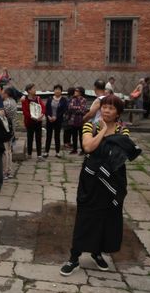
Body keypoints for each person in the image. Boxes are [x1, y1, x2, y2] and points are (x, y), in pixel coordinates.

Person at [60, 94, 140, 276]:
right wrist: (103, 131)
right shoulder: (91, 125)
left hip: (113, 179)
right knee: (85, 216)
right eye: (104, 107)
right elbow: (88, 147)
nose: (106, 110)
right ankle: (74, 257)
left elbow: (120, 153)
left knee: (107, 217)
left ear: (118, 112)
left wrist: (102, 144)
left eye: (111, 108)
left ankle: (97, 252)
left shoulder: (122, 130)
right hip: (91, 179)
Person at [21, 83, 45, 161]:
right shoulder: (24, 100)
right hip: (30, 122)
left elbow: (43, 107)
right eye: (33, 88)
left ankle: (39, 155)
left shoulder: (38, 98)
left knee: (38, 138)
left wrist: (41, 115)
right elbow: (25, 111)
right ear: (29, 90)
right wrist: (32, 117)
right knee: (30, 138)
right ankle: (29, 154)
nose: (35, 90)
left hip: (38, 121)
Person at [44, 84, 68, 158]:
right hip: (49, 120)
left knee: (57, 136)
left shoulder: (63, 100)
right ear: (54, 91)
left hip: (58, 120)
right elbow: (46, 109)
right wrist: (48, 116)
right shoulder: (50, 98)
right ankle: (46, 152)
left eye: (59, 89)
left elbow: (64, 110)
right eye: (56, 89)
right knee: (48, 136)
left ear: (61, 91)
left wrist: (56, 117)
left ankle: (57, 152)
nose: (57, 91)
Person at [1, 87, 18, 180]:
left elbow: (2, 115)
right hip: (12, 128)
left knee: (5, 151)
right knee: (9, 151)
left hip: (6, 128)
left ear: (6, 94)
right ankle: (10, 171)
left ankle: (5, 172)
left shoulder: (6, 103)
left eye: (3, 92)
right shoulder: (14, 101)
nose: (1, 94)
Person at [66, 86, 88, 154]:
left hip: (81, 120)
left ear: (80, 92)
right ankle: (74, 149)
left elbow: (83, 110)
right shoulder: (73, 99)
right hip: (73, 120)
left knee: (81, 136)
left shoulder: (83, 100)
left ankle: (82, 150)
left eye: (76, 91)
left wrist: (75, 109)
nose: (75, 92)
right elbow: (70, 108)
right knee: (74, 136)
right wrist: (78, 108)